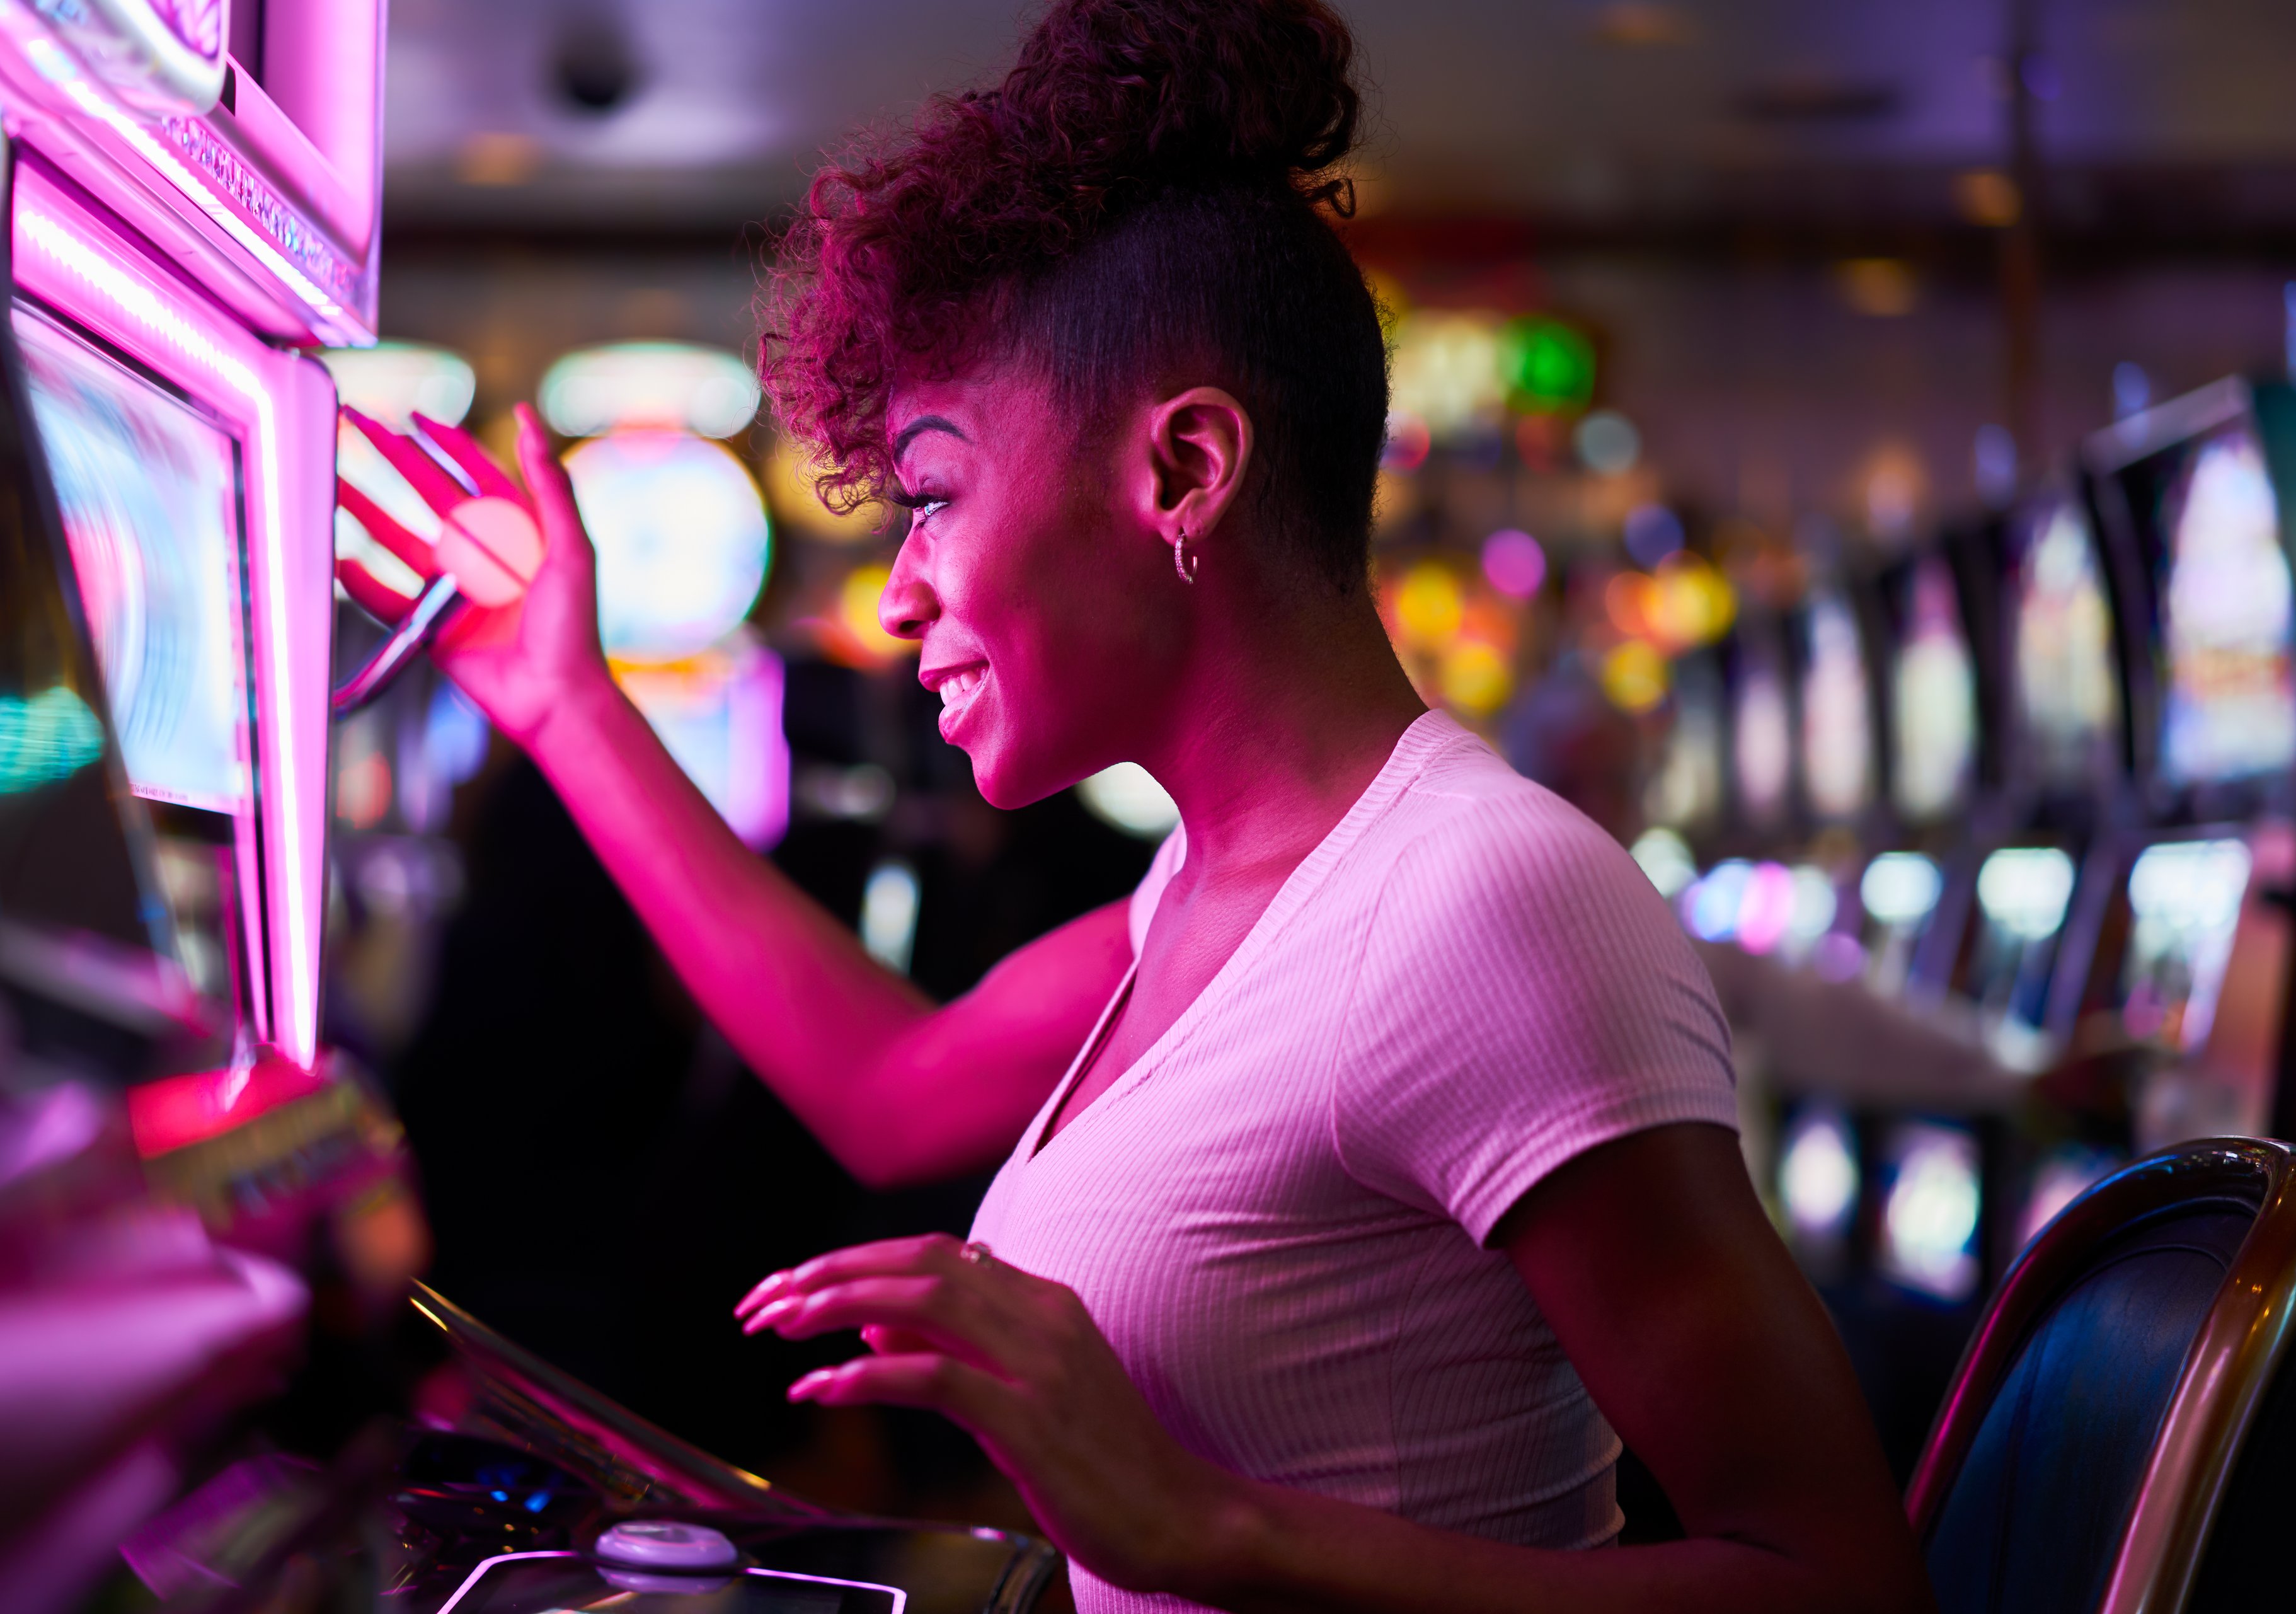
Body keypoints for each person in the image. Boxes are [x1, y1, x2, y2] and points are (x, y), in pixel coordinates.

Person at [335, 1, 1933, 1608]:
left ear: (1180, 474)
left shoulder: (1483, 900)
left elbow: (1833, 1581)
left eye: (936, 493)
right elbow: (889, 1085)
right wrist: (563, 702)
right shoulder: (1214, 885)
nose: (896, 598)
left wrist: (1208, 1528)